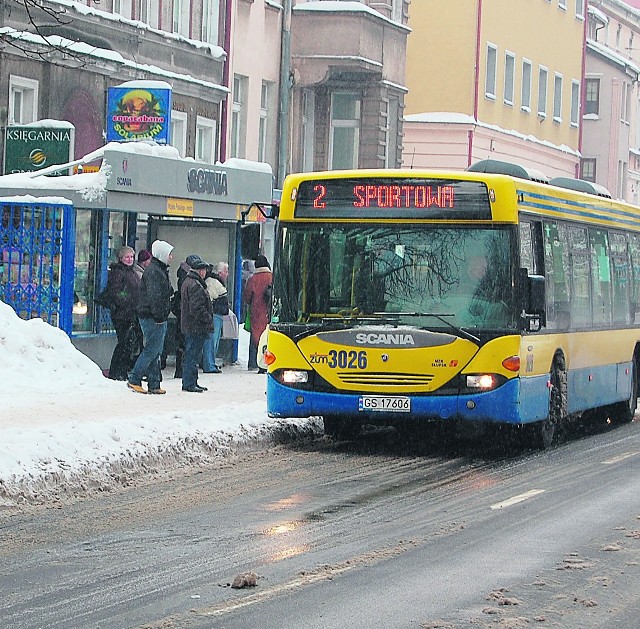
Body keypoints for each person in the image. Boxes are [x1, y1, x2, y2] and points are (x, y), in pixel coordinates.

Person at [127, 239, 174, 394]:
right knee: (152, 349)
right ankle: (135, 378)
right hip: (152, 317)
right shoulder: (155, 271)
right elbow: (155, 297)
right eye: (169, 254)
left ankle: (154, 383)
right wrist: (160, 316)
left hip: (153, 316)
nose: (171, 257)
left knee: (155, 350)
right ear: (162, 254)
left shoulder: (157, 269)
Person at [104, 246, 141, 380]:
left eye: (131, 257)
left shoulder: (131, 272)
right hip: (122, 314)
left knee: (129, 344)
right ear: (121, 258)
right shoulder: (118, 272)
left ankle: (122, 371)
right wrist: (127, 301)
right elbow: (116, 292)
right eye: (127, 257)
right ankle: (116, 371)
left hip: (131, 313)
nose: (130, 259)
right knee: (123, 343)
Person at [180, 256, 214, 392]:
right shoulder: (195, 285)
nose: (205, 272)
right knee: (192, 355)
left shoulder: (189, 282)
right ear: (200, 271)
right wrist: (208, 319)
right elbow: (196, 308)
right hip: (195, 327)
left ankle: (191, 382)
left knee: (192, 355)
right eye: (204, 270)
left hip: (191, 326)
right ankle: (189, 383)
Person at [242, 254, 272, 372]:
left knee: (255, 337)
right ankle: (267, 362)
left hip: (256, 311)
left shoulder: (253, 279)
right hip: (269, 312)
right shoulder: (272, 277)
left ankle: (254, 362)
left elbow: (247, 297)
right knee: (268, 337)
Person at [202, 262, 229, 373]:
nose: (228, 274)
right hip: (215, 314)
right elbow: (211, 298)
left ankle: (210, 363)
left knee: (213, 340)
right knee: (212, 340)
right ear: (219, 272)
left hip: (217, 313)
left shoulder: (214, 281)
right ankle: (209, 364)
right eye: (226, 271)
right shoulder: (213, 282)